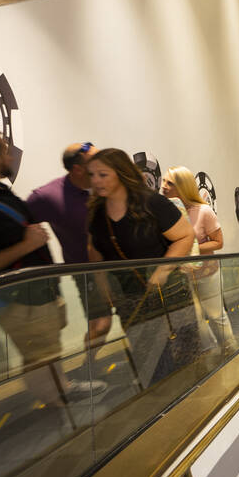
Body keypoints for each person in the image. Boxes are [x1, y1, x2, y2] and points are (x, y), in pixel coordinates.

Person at [0, 127, 105, 399]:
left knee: (46, 348)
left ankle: (58, 391)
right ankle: (58, 403)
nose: (10, 156)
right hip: (19, 298)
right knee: (40, 351)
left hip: (37, 292)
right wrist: (27, 245)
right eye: (5, 150)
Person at [85, 149, 200, 387]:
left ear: (121, 173)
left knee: (184, 355)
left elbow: (185, 236)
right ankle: (164, 405)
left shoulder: (152, 203)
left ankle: (192, 398)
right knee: (149, 359)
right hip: (130, 299)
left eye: (103, 174)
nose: (96, 181)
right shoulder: (97, 213)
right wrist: (104, 287)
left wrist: (163, 270)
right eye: (92, 175)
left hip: (168, 294)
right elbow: (96, 253)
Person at [26, 142, 112, 347]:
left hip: (122, 266)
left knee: (135, 316)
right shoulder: (47, 196)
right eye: (95, 161)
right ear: (78, 169)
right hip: (87, 272)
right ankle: (89, 370)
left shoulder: (105, 185)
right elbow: (20, 226)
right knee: (100, 326)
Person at [161, 166, 236, 350]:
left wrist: (192, 249)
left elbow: (218, 242)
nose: (163, 186)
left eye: (169, 183)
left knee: (217, 316)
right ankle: (211, 354)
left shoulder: (203, 211)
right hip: (180, 278)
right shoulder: (164, 212)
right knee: (195, 321)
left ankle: (231, 351)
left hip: (206, 274)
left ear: (183, 187)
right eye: (163, 181)